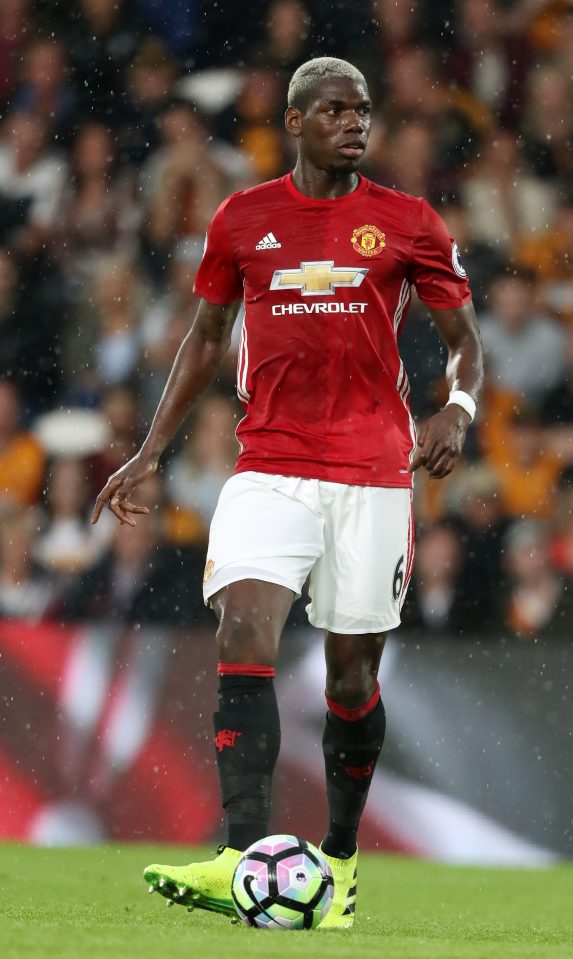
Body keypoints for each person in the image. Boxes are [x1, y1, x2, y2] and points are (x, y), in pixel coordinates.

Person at [92, 57, 484, 929]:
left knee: (349, 682)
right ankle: (241, 854)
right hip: (268, 463)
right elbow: (203, 337)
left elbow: (465, 340)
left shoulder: (406, 222)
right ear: (298, 121)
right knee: (242, 625)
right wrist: (150, 450)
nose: (356, 124)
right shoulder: (244, 218)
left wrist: (455, 408)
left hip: (373, 474)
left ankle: (339, 867)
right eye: (338, 111)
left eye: (364, 110)